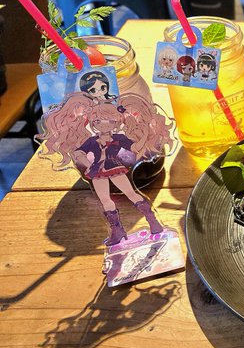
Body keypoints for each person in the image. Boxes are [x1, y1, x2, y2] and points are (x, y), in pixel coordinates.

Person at [38, 92, 174, 246]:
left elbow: (134, 147)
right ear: (92, 124)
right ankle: (117, 230)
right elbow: (78, 152)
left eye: (110, 121)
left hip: (115, 167)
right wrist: (86, 163)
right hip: (97, 171)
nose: (104, 125)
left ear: (116, 124)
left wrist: (145, 135)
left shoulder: (119, 138)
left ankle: (153, 222)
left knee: (130, 193)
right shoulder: (91, 140)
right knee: (105, 199)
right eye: (98, 122)